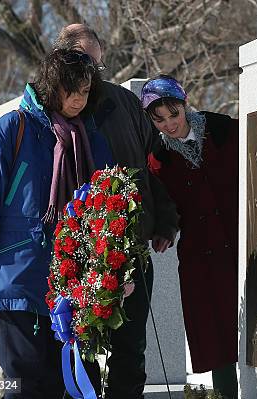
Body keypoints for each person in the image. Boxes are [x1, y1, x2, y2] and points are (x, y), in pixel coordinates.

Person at [0, 48, 113, 398]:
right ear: (51, 86)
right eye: (71, 89)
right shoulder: (12, 129)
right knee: (26, 384)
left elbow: (108, 203)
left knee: (74, 381)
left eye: (85, 91)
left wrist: (114, 265)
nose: (78, 99)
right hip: (19, 278)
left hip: (75, 281)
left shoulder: (91, 139)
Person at [53, 24, 180, 399]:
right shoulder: (55, 109)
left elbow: (153, 165)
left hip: (132, 242)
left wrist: (165, 219)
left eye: (97, 65)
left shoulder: (123, 103)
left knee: (130, 347)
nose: (92, 74)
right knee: (83, 346)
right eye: (84, 63)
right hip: (77, 249)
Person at [141, 75, 238, 399]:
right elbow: (163, 205)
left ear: (185, 105)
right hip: (201, 255)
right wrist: (164, 231)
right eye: (159, 119)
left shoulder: (223, 129)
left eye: (174, 114)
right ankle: (227, 395)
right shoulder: (158, 159)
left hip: (241, 243)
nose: (169, 124)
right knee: (217, 336)